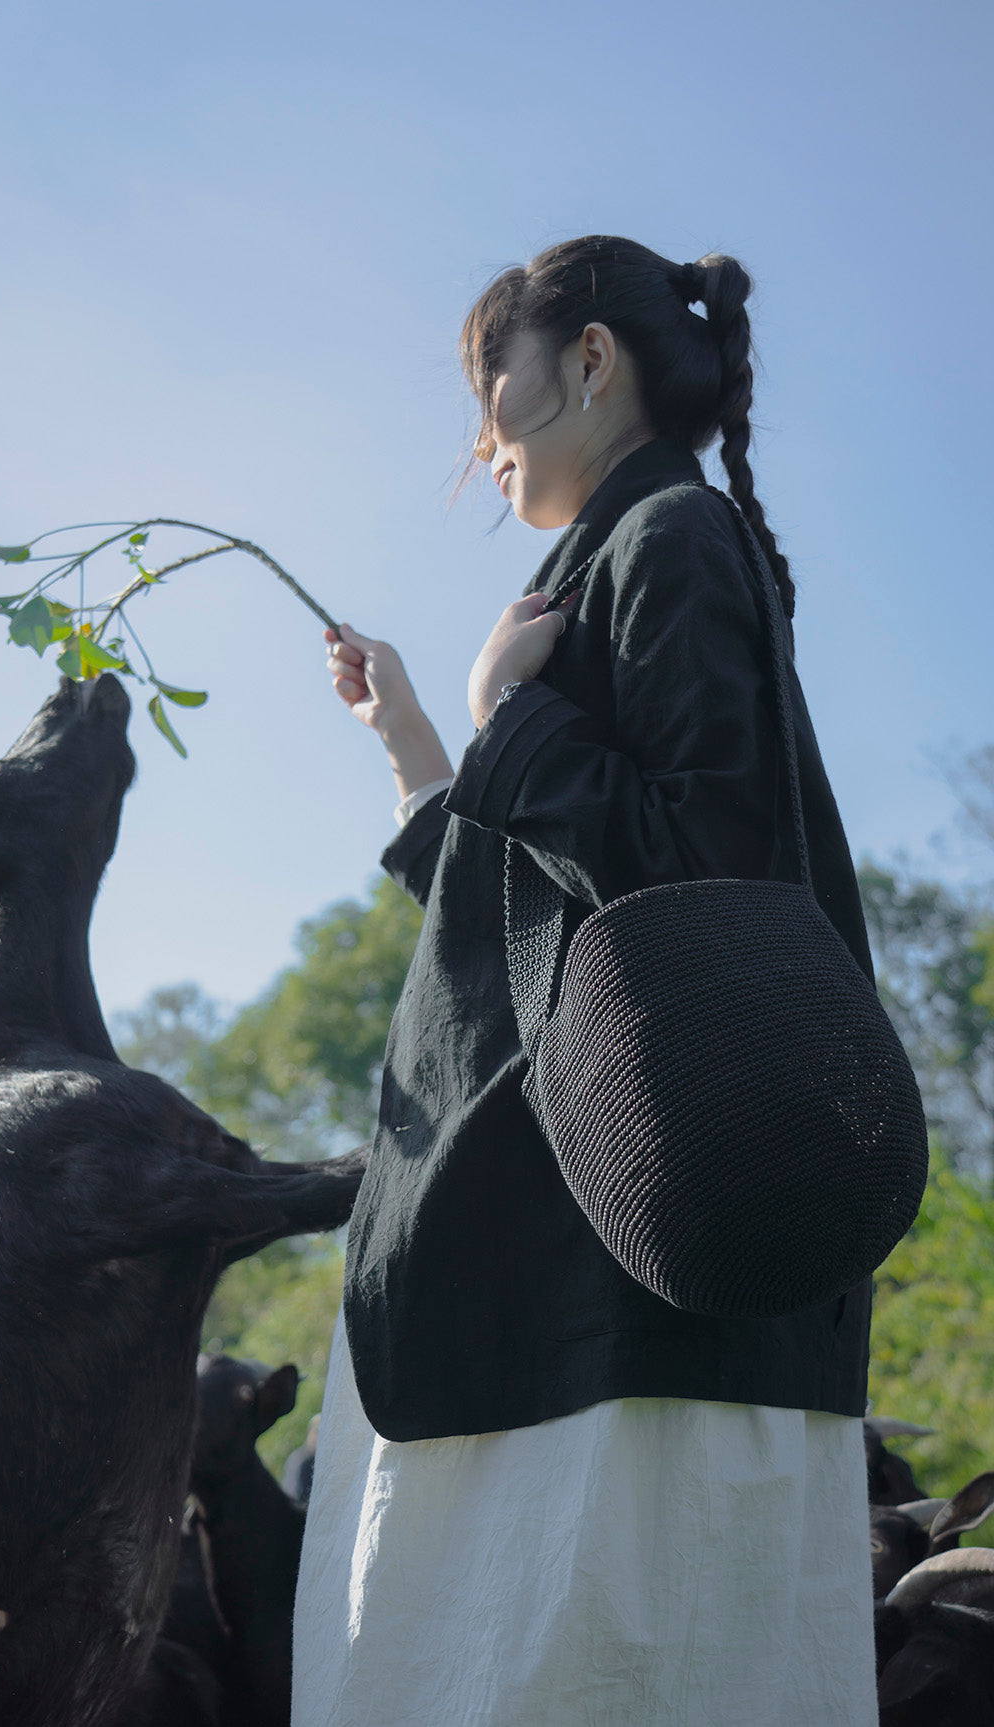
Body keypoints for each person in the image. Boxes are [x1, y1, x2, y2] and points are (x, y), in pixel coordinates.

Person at [292, 237, 879, 1726]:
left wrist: (508, 720)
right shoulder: (615, 562)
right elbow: (539, 920)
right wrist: (431, 746)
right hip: (542, 1276)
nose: (479, 441)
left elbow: (699, 885)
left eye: (492, 384)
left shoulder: (666, 539)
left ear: (592, 362)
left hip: (609, 1287)